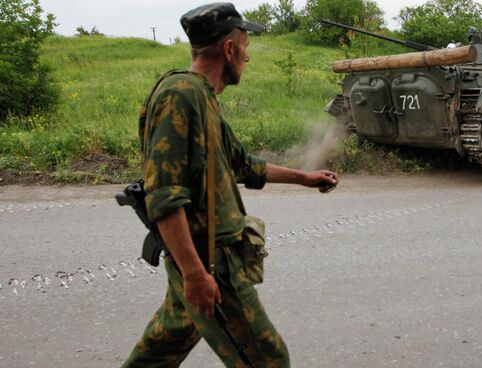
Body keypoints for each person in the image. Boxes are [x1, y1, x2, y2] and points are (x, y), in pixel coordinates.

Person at [121, 3, 338, 367]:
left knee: (155, 357)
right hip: (211, 265)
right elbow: (164, 196)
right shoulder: (180, 95)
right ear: (229, 50)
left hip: (204, 262)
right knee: (269, 359)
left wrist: (306, 178)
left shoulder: (204, 99)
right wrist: (195, 274)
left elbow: (243, 165)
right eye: (246, 46)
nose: (248, 57)